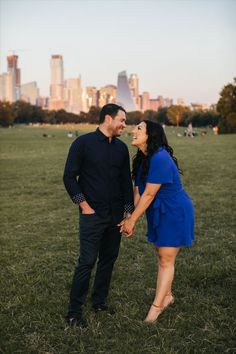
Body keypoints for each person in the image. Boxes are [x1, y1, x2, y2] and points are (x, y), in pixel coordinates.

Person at [63, 104, 134, 328]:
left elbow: (125, 182)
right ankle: (74, 312)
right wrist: (84, 206)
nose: (124, 125)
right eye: (121, 120)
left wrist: (128, 212)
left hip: (115, 216)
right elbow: (68, 177)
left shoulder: (122, 148)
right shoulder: (82, 143)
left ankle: (99, 302)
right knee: (86, 262)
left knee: (108, 260)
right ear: (107, 119)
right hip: (92, 215)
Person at [119, 120, 194, 323]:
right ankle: (167, 296)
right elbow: (139, 190)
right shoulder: (144, 158)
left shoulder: (160, 157)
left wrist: (133, 220)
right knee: (163, 255)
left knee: (166, 259)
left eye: (139, 128)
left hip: (174, 211)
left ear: (150, 135)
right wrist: (129, 216)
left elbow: (150, 194)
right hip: (159, 211)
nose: (133, 131)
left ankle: (156, 308)